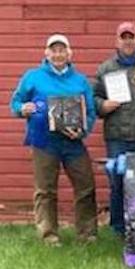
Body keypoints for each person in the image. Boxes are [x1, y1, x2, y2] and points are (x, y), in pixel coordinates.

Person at [10, 34, 97, 246]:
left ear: (69, 54)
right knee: (45, 190)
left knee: (86, 187)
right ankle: (49, 236)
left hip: (73, 143)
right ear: (46, 53)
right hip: (43, 142)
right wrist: (23, 109)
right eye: (54, 50)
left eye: (62, 50)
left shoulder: (80, 80)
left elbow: (91, 112)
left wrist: (82, 131)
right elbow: (16, 102)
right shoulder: (32, 76)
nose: (58, 54)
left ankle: (87, 235)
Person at [93, 22, 135, 236]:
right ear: (117, 41)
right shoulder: (106, 68)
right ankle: (118, 229)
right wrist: (102, 105)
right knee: (117, 183)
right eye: (124, 37)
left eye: (131, 37)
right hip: (117, 136)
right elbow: (93, 97)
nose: (128, 41)